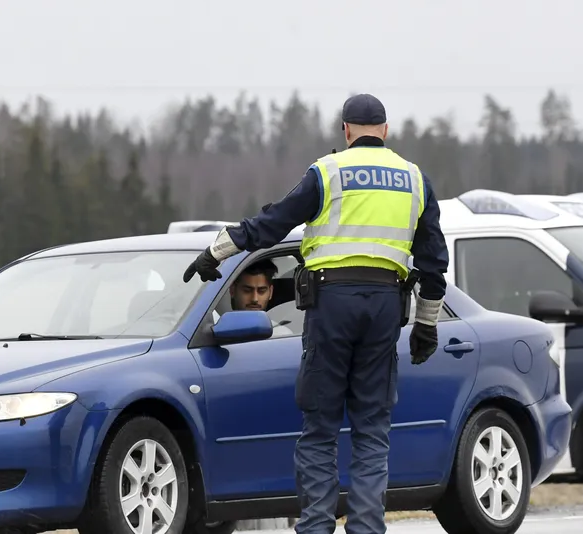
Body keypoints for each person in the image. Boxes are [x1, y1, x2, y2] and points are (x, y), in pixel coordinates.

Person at [182, 93, 448, 534]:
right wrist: (426, 325)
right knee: (372, 428)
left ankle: (317, 527)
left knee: (321, 425)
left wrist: (216, 251)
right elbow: (434, 262)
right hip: (385, 308)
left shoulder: (327, 171)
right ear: (385, 130)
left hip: (332, 305)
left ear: (345, 130)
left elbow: (271, 223)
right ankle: (366, 528)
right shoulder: (414, 179)